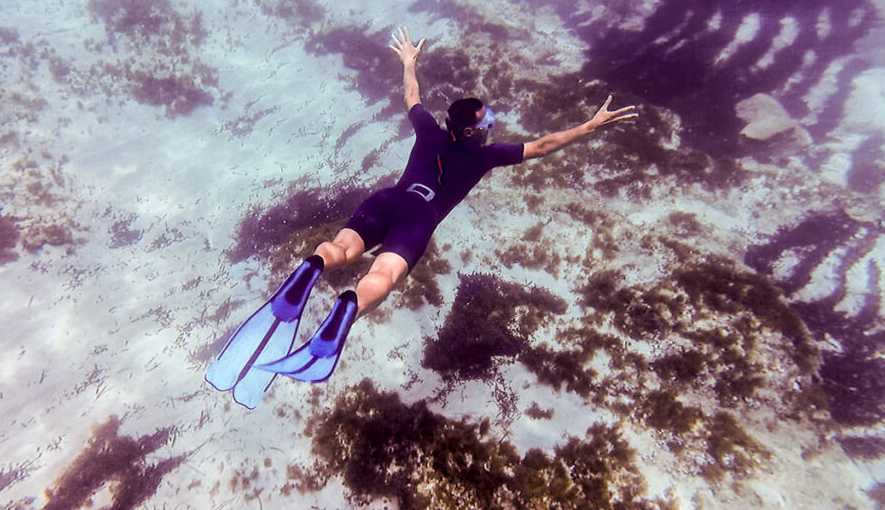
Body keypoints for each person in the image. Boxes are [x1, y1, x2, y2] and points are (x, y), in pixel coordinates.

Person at [206, 27, 639, 407]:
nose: (493, 121)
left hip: (386, 200)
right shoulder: (487, 156)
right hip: (416, 221)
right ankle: (347, 308)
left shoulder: (430, 129)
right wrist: (588, 127)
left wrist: (410, 61)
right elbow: (542, 146)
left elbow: (411, 96)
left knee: (340, 248)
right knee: (384, 276)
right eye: (488, 118)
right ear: (471, 131)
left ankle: (314, 265)